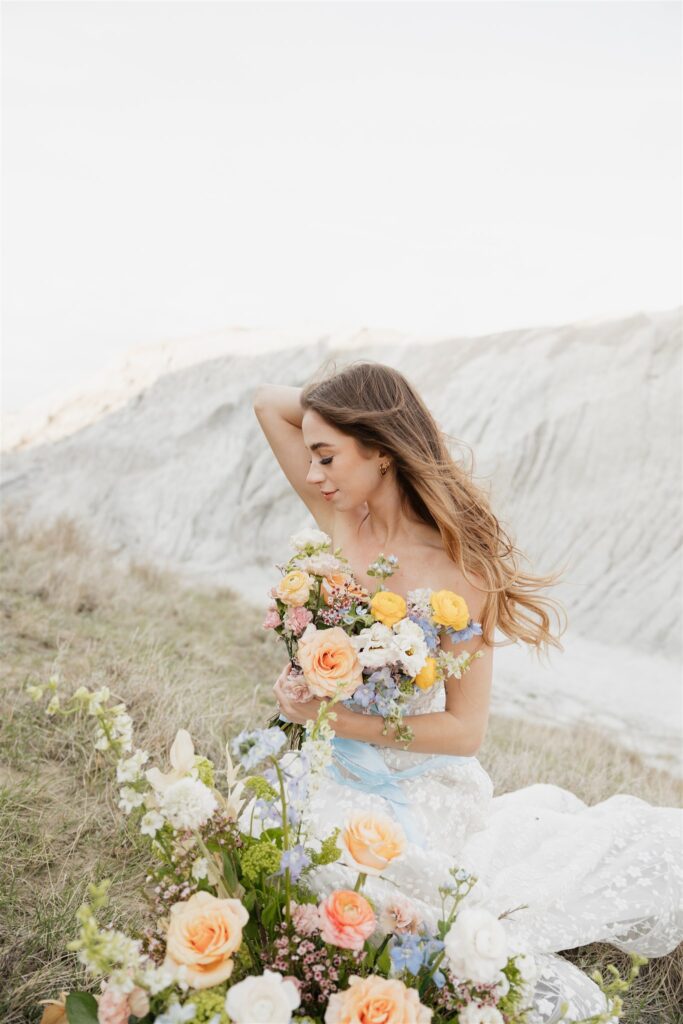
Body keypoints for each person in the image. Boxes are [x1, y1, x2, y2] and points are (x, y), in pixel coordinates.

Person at [252, 361, 683, 1022]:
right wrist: (303, 691)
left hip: (415, 783)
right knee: (273, 847)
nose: (311, 475)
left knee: (354, 890)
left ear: (382, 452)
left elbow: (464, 730)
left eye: (326, 456)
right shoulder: (342, 521)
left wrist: (336, 719)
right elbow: (265, 402)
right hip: (323, 764)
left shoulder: (460, 571)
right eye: (310, 456)